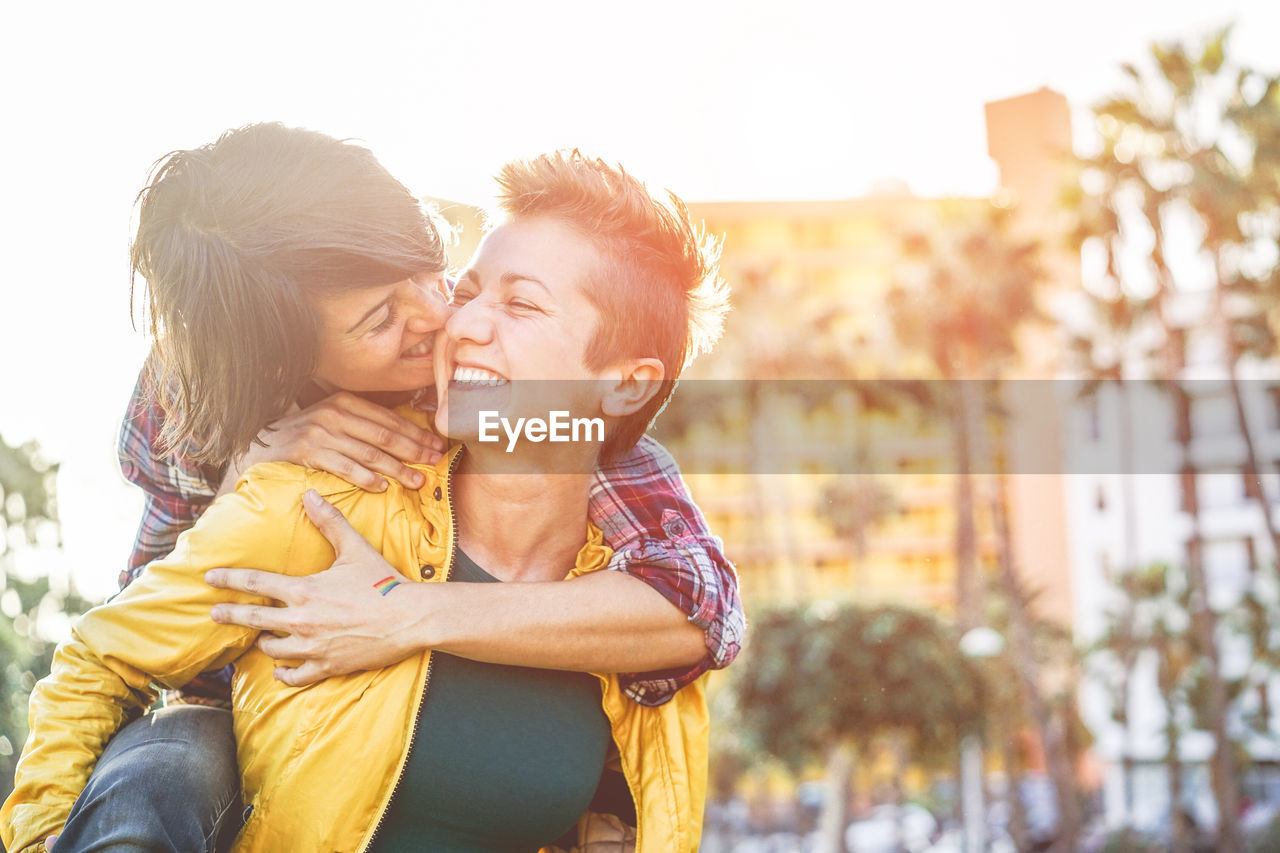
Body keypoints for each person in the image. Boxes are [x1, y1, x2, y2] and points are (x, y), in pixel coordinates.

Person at [1, 125, 741, 852]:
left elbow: (698, 602)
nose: (446, 319)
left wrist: (405, 611)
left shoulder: (557, 440)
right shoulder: (243, 438)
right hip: (205, 704)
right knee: (164, 772)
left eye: (434, 273)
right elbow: (118, 643)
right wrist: (247, 460)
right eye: (382, 318)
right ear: (294, 364)